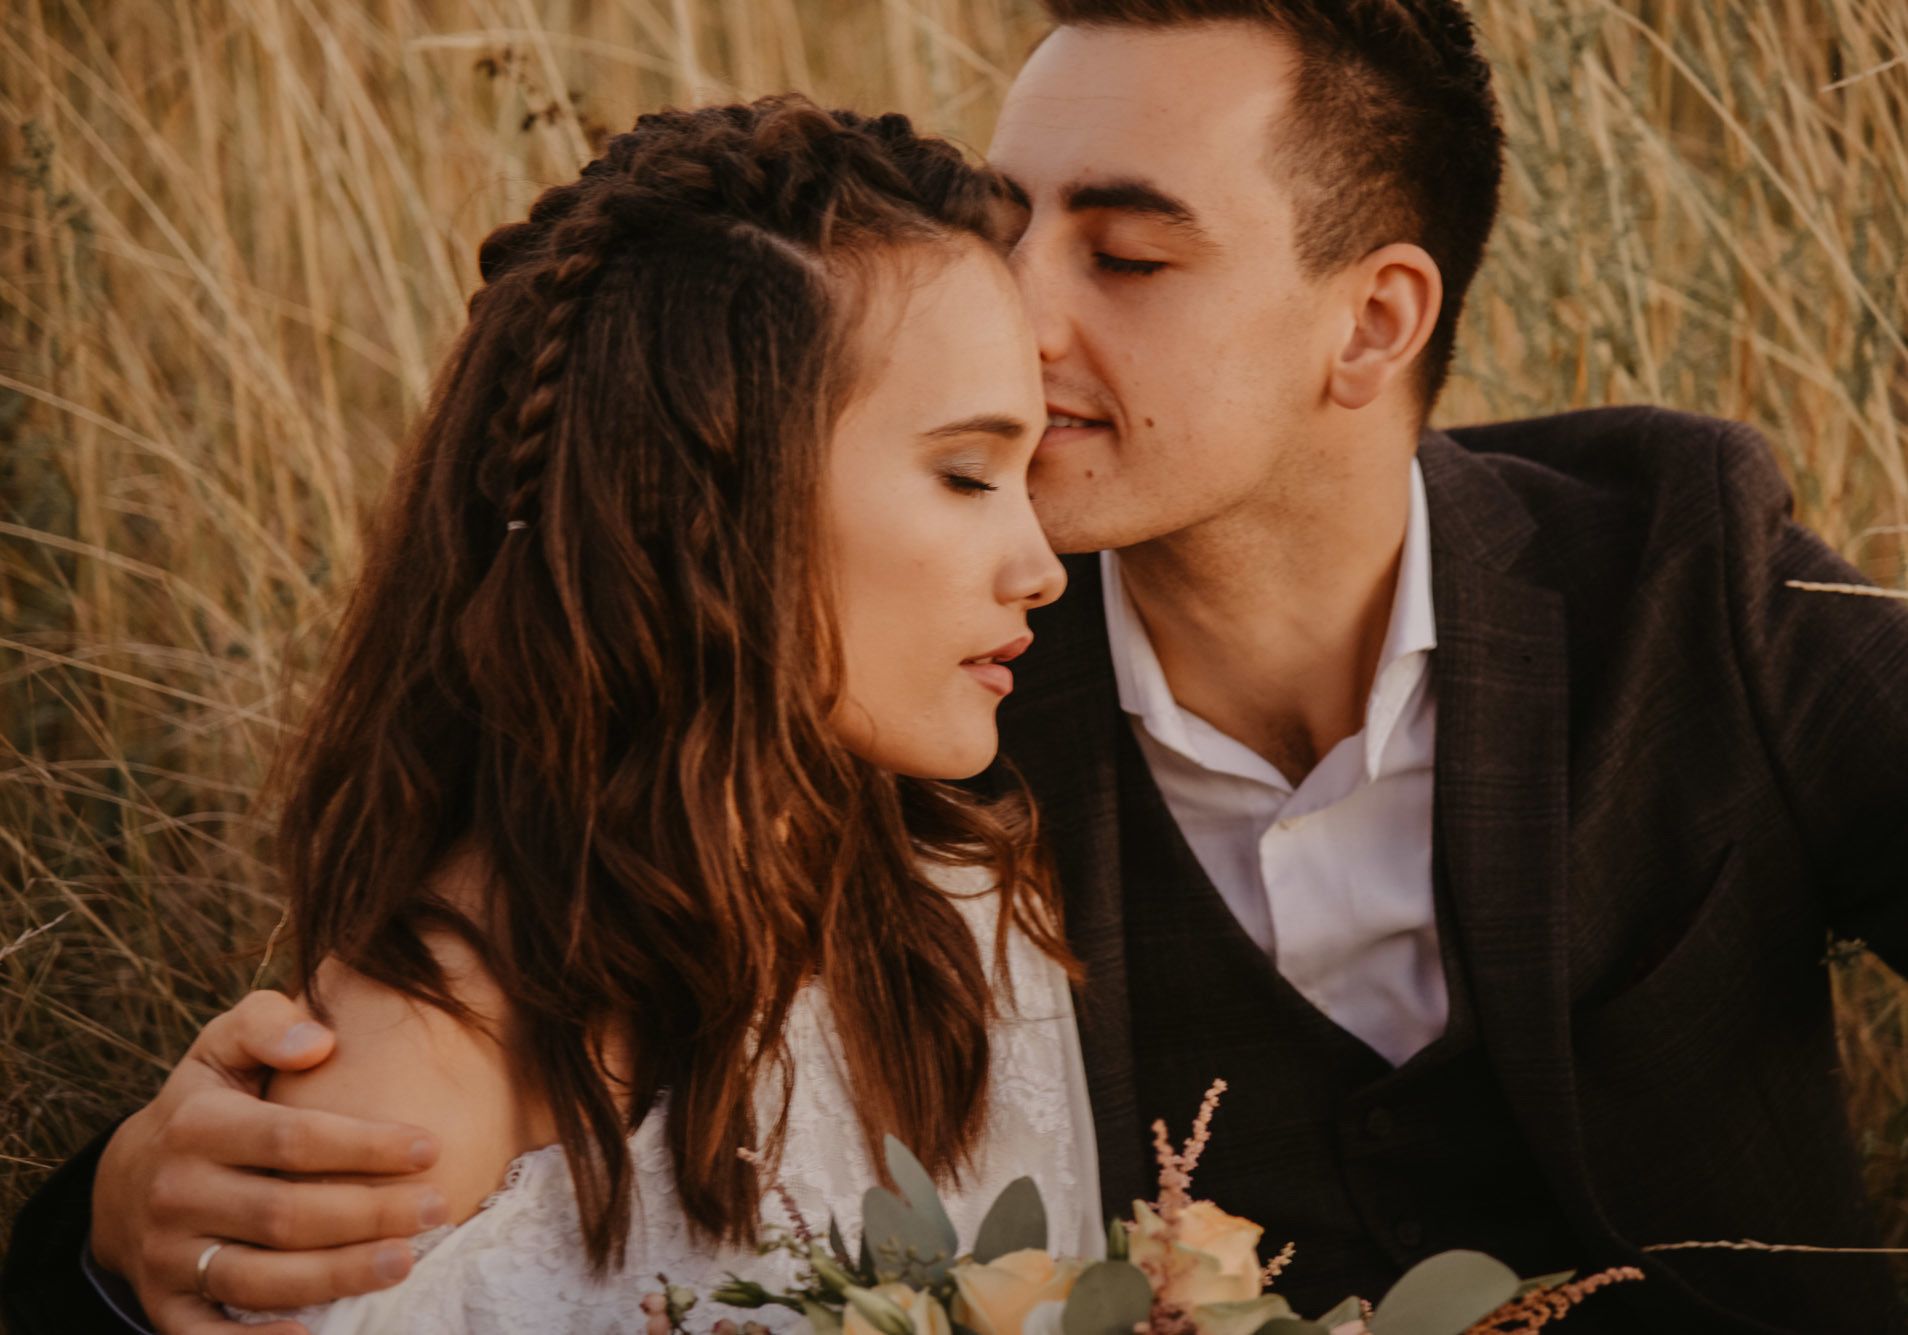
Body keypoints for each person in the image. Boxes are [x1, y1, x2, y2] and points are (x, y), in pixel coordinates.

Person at [10, 1, 1908, 1332]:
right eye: (1011, 217)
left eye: (1125, 254)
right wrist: (116, 1218)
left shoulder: (1673, 570)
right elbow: (557, 953)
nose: (1019, 313)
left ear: (1372, 322)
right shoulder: (916, 700)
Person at [2, 96, 1103, 1334]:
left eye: (1027, 474)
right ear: (703, 506)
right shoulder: (422, 1062)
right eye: (965, 474)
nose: (1041, 567)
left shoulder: (953, 889)